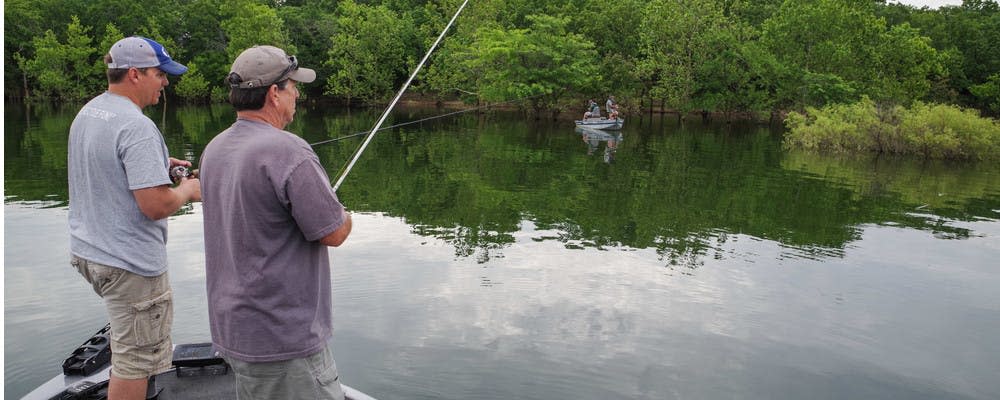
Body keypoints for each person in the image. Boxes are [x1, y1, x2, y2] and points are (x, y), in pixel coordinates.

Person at [199, 45, 353, 400]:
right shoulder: (289, 151)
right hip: (284, 341)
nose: (297, 93)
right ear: (274, 93)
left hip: (235, 332)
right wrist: (345, 214)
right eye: (293, 85)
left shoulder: (214, 148)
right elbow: (334, 232)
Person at [68, 36, 200, 400]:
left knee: (130, 349)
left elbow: (108, 164)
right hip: (130, 265)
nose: (166, 82)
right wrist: (187, 191)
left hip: (90, 253)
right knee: (136, 362)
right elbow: (155, 205)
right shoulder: (137, 127)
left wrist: (160, 163)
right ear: (134, 75)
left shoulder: (92, 111)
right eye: (160, 74)